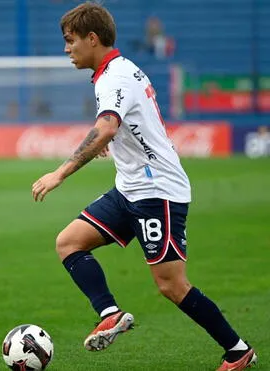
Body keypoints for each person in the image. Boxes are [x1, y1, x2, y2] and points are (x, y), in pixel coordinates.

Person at [30, 3, 256, 371]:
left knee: (171, 285)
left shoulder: (114, 78)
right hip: (130, 187)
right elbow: (121, 125)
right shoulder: (115, 71)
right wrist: (114, 140)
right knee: (68, 242)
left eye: (70, 41)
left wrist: (60, 173)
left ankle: (237, 350)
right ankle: (110, 313)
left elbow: (106, 126)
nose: (66, 49)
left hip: (158, 192)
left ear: (92, 38)